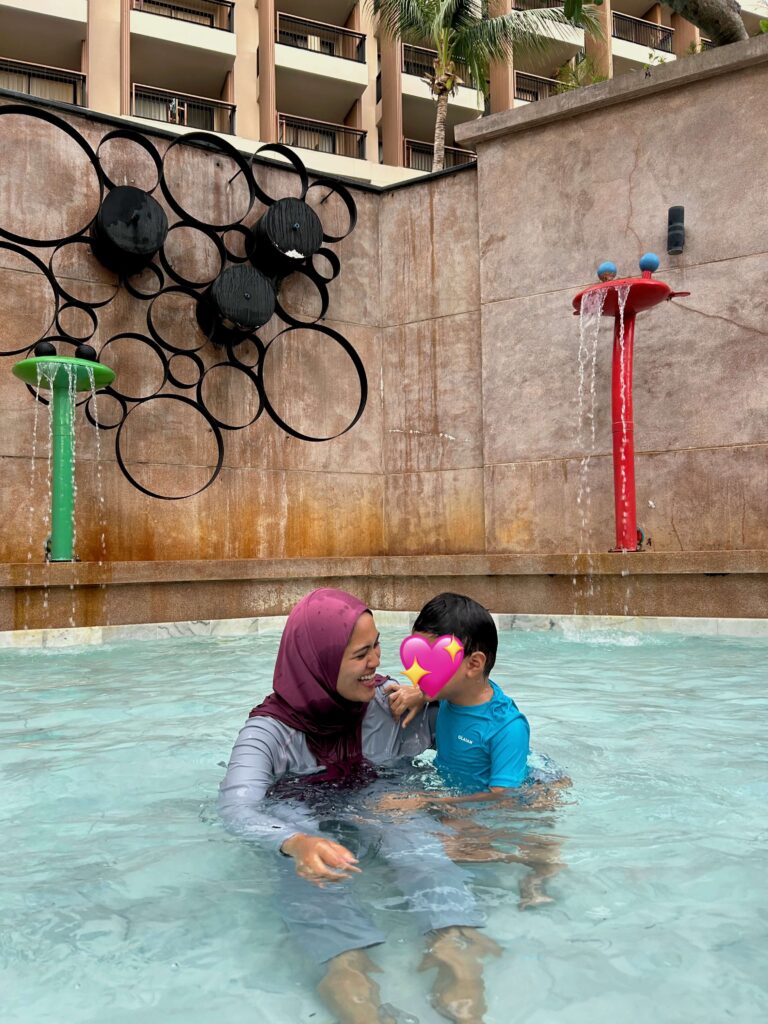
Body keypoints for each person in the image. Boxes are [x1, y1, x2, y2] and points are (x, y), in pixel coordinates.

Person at [218, 588, 500, 1024]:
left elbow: (479, 714)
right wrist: (294, 843)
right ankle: (346, 970)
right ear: (321, 660)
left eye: (377, 648)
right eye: (360, 654)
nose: (376, 664)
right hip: (299, 805)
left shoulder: (390, 703)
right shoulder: (267, 734)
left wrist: (429, 695)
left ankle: (453, 940)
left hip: (373, 794)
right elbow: (237, 809)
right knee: (309, 856)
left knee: (408, 826)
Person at [381, 592, 568, 907]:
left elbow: (502, 797)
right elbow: (437, 689)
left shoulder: (507, 727)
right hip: (464, 790)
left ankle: (541, 866)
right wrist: (419, 695)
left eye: (431, 663)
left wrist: (427, 800)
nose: (417, 672)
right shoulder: (451, 693)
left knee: (452, 847)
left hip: (510, 797)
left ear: (474, 664)